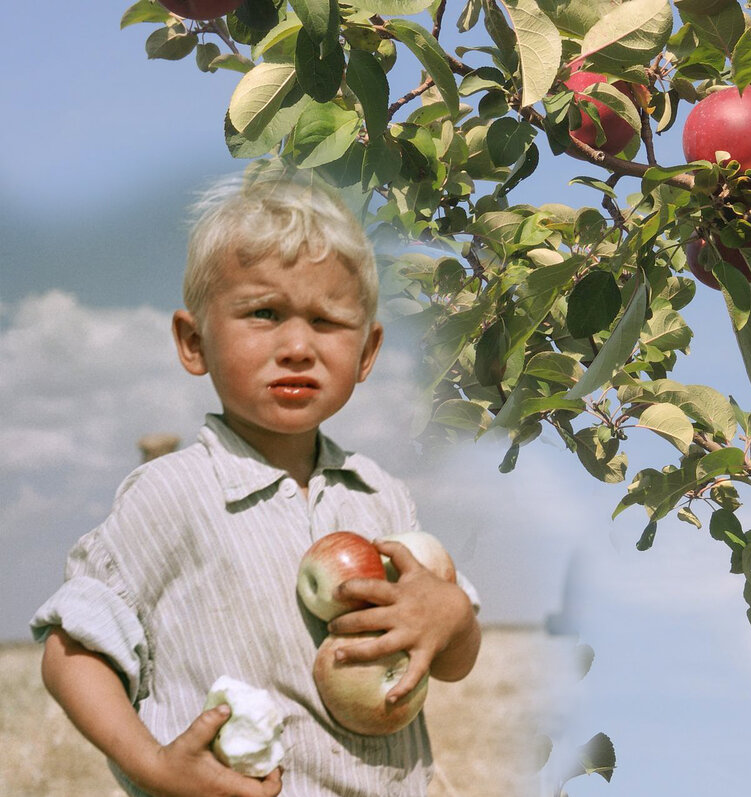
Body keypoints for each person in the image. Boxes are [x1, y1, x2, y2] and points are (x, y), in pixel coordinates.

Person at [30, 175, 482, 797]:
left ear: (367, 352)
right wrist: (153, 764)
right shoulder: (173, 495)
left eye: (327, 322)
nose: (297, 346)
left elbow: (452, 661)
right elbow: (72, 650)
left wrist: (452, 619)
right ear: (195, 342)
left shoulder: (382, 497)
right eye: (264, 314)